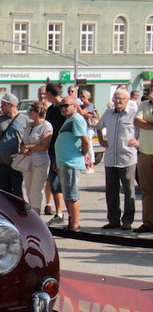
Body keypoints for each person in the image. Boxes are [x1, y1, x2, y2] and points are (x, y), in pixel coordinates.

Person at [96, 88, 138, 230]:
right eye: (116, 98)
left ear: (127, 100)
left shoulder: (133, 114)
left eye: (121, 98)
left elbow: (142, 130)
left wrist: (138, 142)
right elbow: (98, 127)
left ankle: (127, 220)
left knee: (128, 191)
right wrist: (101, 140)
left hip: (127, 158)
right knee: (111, 192)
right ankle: (113, 219)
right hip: (110, 157)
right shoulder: (108, 114)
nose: (118, 101)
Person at [53, 97, 90, 232]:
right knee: (68, 193)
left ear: (75, 106)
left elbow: (85, 141)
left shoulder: (77, 119)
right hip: (64, 162)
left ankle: (75, 224)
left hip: (72, 162)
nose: (63, 108)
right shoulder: (69, 120)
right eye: (61, 106)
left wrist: (82, 154)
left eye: (66, 105)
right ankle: (71, 222)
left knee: (72, 194)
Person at [0, 93, 29, 196]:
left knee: (17, 193)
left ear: (11, 105)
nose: (1, 107)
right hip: (1, 162)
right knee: (0, 193)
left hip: (17, 163)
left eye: (3, 104)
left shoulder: (25, 120)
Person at [19, 101, 53, 214]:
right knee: (28, 190)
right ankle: (32, 213)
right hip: (28, 162)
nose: (28, 113)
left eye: (31, 111)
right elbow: (23, 141)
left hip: (40, 163)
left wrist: (29, 147)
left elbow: (44, 146)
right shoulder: (29, 125)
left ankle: (36, 216)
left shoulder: (46, 126)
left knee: (35, 191)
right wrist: (23, 147)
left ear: (38, 112)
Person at [44, 83, 66, 223]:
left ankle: (62, 213)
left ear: (49, 93)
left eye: (46, 93)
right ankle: (59, 213)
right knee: (54, 183)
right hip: (51, 150)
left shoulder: (63, 109)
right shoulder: (50, 109)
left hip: (62, 151)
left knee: (62, 184)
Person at [133, 79, 153, 233]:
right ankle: (148, 222)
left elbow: (142, 122)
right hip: (145, 152)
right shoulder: (145, 105)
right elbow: (137, 122)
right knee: (147, 190)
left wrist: (147, 123)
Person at [78, 90, 97, 173]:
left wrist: (77, 106)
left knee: (89, 145)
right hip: (82, 127)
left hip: (89, 128)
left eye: (83, 97)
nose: (82, 99)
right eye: (81, 97)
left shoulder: (90, 105)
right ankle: (86, 163)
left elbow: (81, 112)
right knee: (83, 145)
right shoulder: (81, 106)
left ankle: (91, 165)